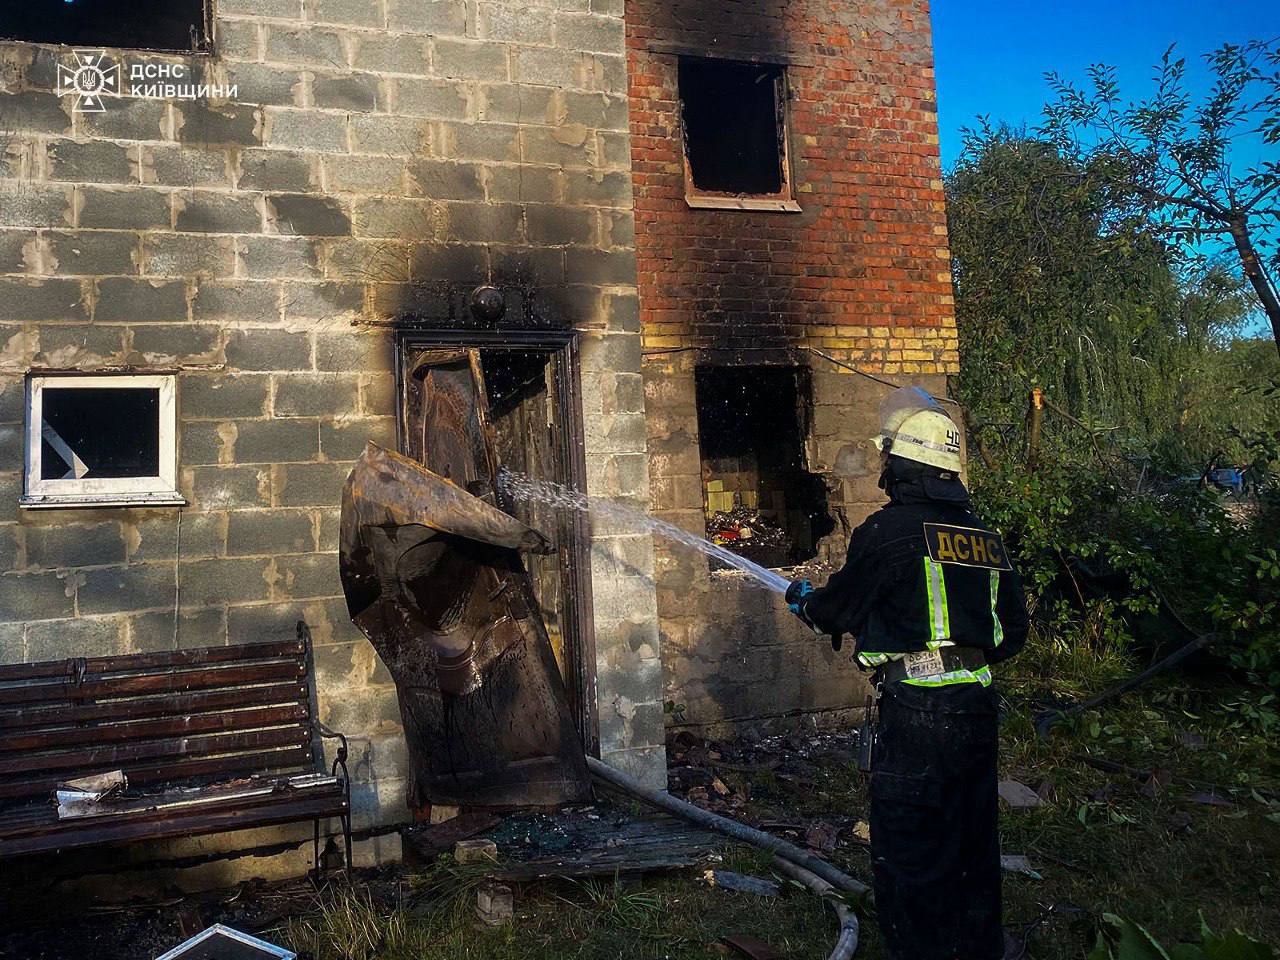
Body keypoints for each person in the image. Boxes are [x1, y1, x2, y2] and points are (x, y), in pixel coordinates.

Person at [785, 387, 1030, 960]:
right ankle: (980, 948)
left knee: (911, 840)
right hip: (977, 707)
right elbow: (1012, 632)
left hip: (918, 712)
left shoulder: (887, 532)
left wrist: (805, 602)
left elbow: (837, 610)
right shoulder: (983, 538)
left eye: (888, 457)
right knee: (971, 836)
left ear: (903, 464)